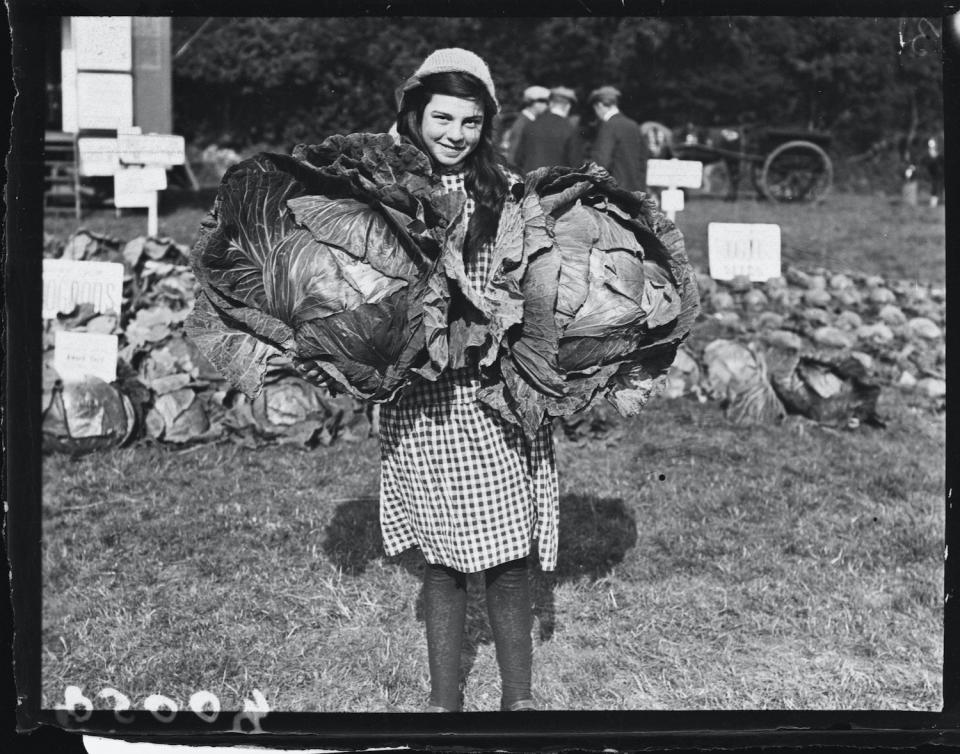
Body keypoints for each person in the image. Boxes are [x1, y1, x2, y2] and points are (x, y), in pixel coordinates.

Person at [382, 48, 558, 713]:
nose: (456, 134)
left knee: (510, 552)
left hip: (495, 393)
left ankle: (518, 700)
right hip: (424, 397)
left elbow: (535, 284)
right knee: (443, 557)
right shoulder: (381, 190)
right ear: (414, 115)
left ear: (488, 125)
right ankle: (442, 703)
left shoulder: (508, 192)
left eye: (471, 121)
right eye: (443, 117)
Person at [587, 85, 649, 192]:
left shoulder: (608, 126)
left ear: (600, 105)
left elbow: (601, 162)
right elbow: (643, 159)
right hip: (636, 191)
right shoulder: (633, 125)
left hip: (616, 193)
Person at [514, 86, 581, 173]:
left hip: (531, 181)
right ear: (568, 106)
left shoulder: (531, 125)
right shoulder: (570, 129)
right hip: (556, 183)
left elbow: (518, 158)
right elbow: (575, 163)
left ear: (550, 104)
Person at [497, 85, 550, 169]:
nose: (547, 105)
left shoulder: (528, 121)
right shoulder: (523, 123)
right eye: (544, 101)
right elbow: (513, 153)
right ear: (533, 102)